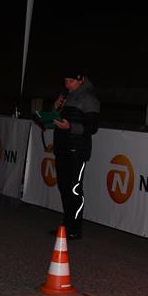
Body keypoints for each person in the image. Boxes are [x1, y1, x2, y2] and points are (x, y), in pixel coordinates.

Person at [34, 70, 100, 239]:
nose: (67, 84)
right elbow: (53, 120)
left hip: (77, 149)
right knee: (63, 188)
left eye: (71, 81)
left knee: (74, 189)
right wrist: (54, 108)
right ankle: (67, 225)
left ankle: (75, 229)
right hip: (61, 147)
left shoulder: (89, 98)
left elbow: (92, 127)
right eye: (65, 81)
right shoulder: (65, 96)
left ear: (80, 80)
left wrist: (69, 127)